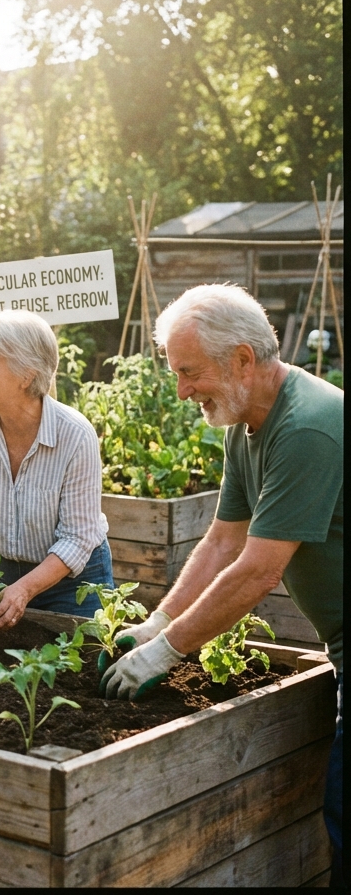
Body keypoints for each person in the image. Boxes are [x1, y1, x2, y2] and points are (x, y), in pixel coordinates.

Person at [100, 284, 343, 886]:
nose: (181, 391)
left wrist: (168, 650)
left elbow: (258, 571)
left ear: (241, 360)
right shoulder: (247, 426)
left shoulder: (308, 426)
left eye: (189, 372)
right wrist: (157, 623)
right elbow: (220, 544)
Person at [0, 309, 112, 630]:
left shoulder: (74, 434)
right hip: (1, 570)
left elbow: (76, 539)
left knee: (76, 672)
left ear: (26, 375)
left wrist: (25, 589)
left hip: (74, 581)